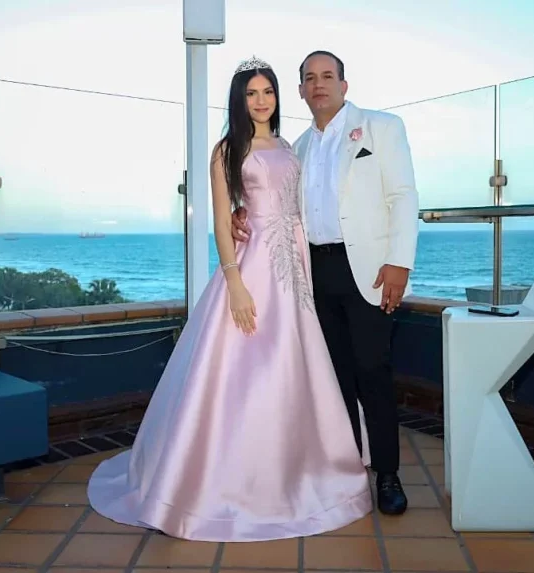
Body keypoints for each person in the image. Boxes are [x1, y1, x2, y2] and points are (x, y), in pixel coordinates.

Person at [87, 56, 372, 542]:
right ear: (239, 101)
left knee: (296, 364)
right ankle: (230, 478)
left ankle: (300, 467)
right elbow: (223, 221)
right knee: (249, 368)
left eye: (269, 92)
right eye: (251, 93)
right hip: (253, 267)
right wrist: (235, 282)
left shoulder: (290, 146)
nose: (261, 101)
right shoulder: (226, 150)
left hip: (296, 268)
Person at [232, 51, 419, 515]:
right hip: (313, 272)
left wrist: (399, 262)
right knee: (333, 378)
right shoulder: (294, 148)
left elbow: (403, 195)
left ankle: (388, 475)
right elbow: (275, 203)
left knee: (373, 370)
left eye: (327, 76)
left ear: (344, 84)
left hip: (370, 271)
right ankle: (347, 471)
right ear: (299, 91)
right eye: (310, 78)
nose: (319, 84)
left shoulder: (382, 128)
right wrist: (241, 214)